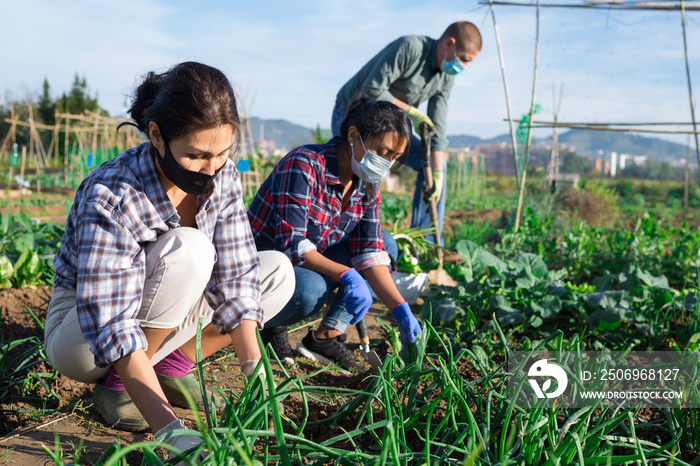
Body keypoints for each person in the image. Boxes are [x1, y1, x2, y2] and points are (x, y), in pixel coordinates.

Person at [44, 62, 294, 456]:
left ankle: (168, 368)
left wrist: (255, 373)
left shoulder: (222, 174)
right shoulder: (112, 193)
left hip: (149, 317)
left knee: (276, 272)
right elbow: (111, 323)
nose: (211, 169)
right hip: (83, 335)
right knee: (189, 250)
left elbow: (237, 275)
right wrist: (171, 432)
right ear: (157, 136)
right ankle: (120, 388)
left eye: (222, 153)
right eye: (195, 155)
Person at [247, 96, 422, 371]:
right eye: (382, 151)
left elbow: (371, 253)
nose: (386, 163)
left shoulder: (367, 187)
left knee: (385, 245)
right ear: (353, 136)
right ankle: (271, 323)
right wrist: (347, 274)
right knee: (310, 291)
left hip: (304, 261)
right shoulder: (305, 164)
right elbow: (292, 244)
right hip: (263, 268)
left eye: (394, 157)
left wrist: (400, 308)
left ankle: (324, 339)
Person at [331, 22, 482, 244]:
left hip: (389, 129)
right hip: (353, 116)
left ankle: (424, 243)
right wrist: (411, 111)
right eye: (465, 58)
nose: (465, 66)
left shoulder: (446, 77)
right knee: (353, 170)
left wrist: (437, 174)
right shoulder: (410, 48)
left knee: (431, 163)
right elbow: (371, 89)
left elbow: (437, 126)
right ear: (450, 44)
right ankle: (336, 237)